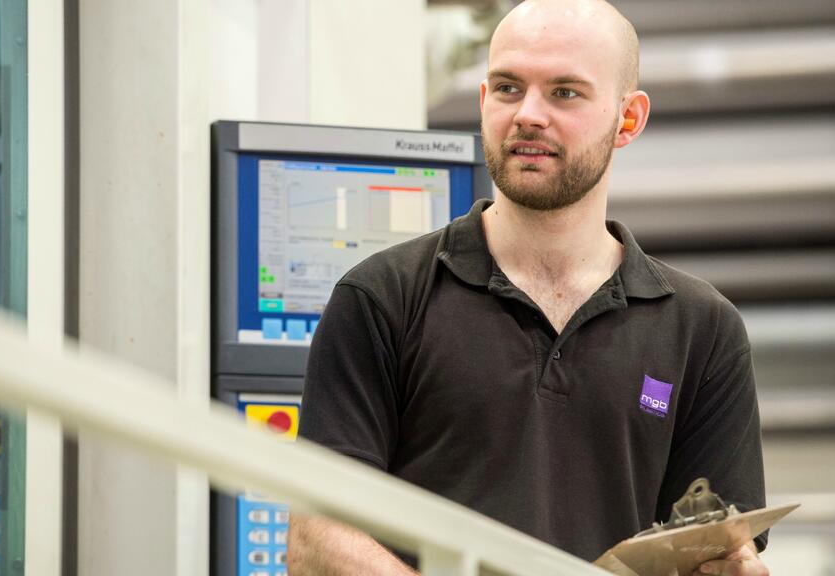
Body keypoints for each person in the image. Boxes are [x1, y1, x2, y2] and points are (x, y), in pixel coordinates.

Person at [288, 1, 769, 575]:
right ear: (485, 101)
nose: (529, 115)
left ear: (629, 119)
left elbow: (717, 549)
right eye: (510, 88)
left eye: (565, 92)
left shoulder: (701, 329)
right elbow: (319, 538)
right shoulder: (383, 297)